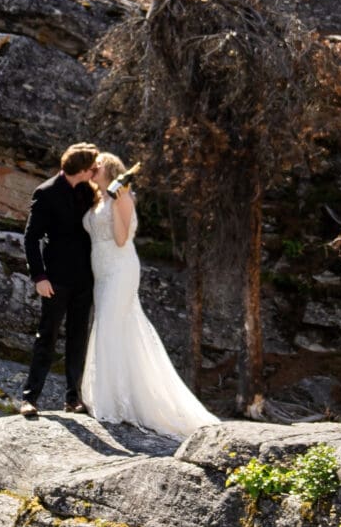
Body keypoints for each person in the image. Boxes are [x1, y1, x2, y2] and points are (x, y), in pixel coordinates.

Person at [80, 151, 211, 439]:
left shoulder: (121, 197)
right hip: (101, 273)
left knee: (110, 328)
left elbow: (121, 238)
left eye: (98, 165)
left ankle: (114, 402)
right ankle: (110, 395)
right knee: (109, 327)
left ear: (110, 169)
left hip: (120, 269)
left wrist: (116, 203)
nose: (93, 168)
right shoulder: (96, 199)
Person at [20, 143, 101, 416]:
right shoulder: (46, 193)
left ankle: (73, 398)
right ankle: (30, 398)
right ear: (82, 169)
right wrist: (38, 276)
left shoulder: (91, 192)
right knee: (47, 336)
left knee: (78, 338)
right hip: (55, 278)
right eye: (93, 167)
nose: (96, 171)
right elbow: (30, 238)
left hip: (85, 278)